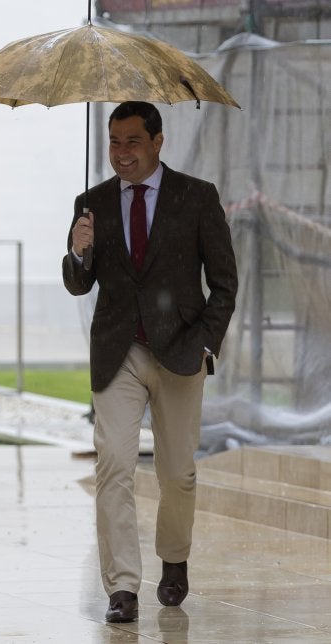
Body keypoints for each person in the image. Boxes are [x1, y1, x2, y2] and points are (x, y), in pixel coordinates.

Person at [62, 101, 238, 623]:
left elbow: (224, 282)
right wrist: (78, 251)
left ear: (158, 141)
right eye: (114, 142)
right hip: (119, 355)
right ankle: (121, 588)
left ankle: (175, 557)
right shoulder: (91, 202)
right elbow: (78, 282)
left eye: (132, 141)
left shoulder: (197, 198)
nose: (121, 153)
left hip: (182, 351)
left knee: (178, 474)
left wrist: (206, 342)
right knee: (114, 466)